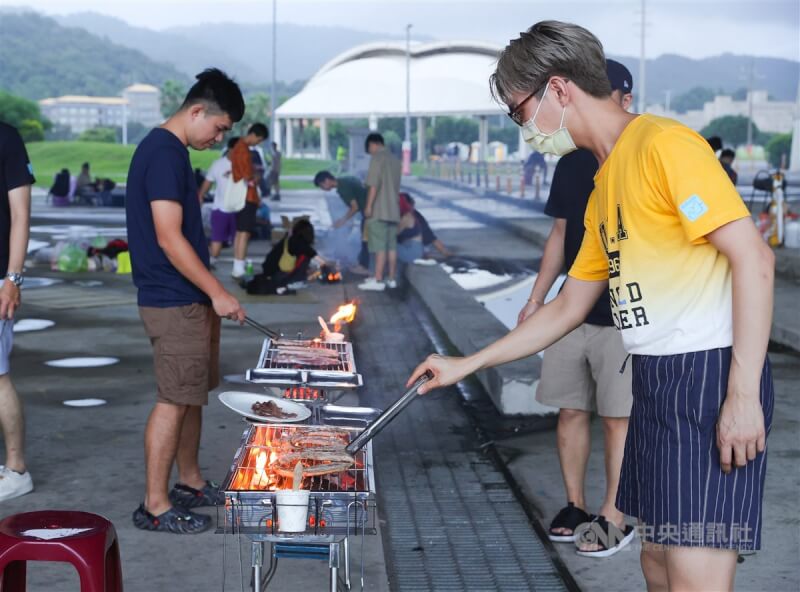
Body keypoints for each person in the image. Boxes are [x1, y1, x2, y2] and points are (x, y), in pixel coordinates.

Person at [409, 21, 774, 591]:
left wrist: (744, 395)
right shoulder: (605, 184)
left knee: (695, 575)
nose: (523, 128)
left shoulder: (665, 145)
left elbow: (754, 260)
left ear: (558, 90)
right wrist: (466, 363)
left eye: (518, 111)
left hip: (707, 376)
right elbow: (567, 306)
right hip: (654, 379)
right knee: (656, 560)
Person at [516, 59, 635, 557]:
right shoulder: (572, 162)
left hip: (626, 314)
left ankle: (615, 512)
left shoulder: (642, 156)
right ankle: (575, 505)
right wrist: (536, 298)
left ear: (625, 100)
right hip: (573, 307)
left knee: (617, 417)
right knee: (570, 409)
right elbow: (562, 235)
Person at [125, 68, 247, 534]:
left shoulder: (172, 153)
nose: (218, 139)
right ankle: (155, 506)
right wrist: (218, 293)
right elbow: (168, 238)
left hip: (188, 299)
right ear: (196, 111)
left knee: (191, 395)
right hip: (172, 300)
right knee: (174, 399)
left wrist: (212, 293)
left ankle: (190, 482)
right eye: (218, 129)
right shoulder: (163, 154)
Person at [0, 122, 34, 502]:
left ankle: (17, 469)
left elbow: (20, 215)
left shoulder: (6, 138)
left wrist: (13, 277)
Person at [359, 133, 401, 291]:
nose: (370, 153)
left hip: (379, 209)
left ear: (373, 144)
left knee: (379, 246)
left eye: (369, 149)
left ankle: (377, 280)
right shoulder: (396, 160)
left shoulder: (377, 159)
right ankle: (391, 278)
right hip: (393, 210)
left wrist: (369, 206)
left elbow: (373, 185)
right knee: (392, 247)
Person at [229, 123, 268, 278]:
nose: (258, 143)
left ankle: (237, 265)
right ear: (254, 135)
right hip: (247, 196)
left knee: (240, 232)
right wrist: (256, 177)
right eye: (259, 140)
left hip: (241, 197)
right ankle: (239, 267)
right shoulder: (244, 150)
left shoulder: (238, 146)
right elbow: (247, 177)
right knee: (244, 233)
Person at [313, 170, 370, 274]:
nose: (323, 189)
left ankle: (365, 267)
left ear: (327, 180)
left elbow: (355, 207)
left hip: (371, 212)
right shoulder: (345, 180)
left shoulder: (343, 188)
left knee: (366, 240)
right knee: (364, 238)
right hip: (370, 210)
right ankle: (363, 264)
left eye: (322, 186)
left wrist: (342, 221)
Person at [246, 218, 320, 295]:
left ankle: (286, 283)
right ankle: (291, 283)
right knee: (305, 256)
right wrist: (325, 264)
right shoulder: (297, 242)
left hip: (270, 271)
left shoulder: (289, 239)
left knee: (304, 257)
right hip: (277, 274)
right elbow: (312, 253)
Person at [198, 136, 239, 268]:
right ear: (231, 149)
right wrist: (200, 196)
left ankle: (238, 264)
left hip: (239, 209)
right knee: (217, 237)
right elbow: (207, 182)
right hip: (220, 208)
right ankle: (213, 260)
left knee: (239, 238)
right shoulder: (218, 165)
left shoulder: (244, 164)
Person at [396, 193, 451, 262]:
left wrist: (446, 253)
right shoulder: (411, 215)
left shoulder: (409, 216)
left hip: (411, 250)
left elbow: (430, 237)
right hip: (415, 249)